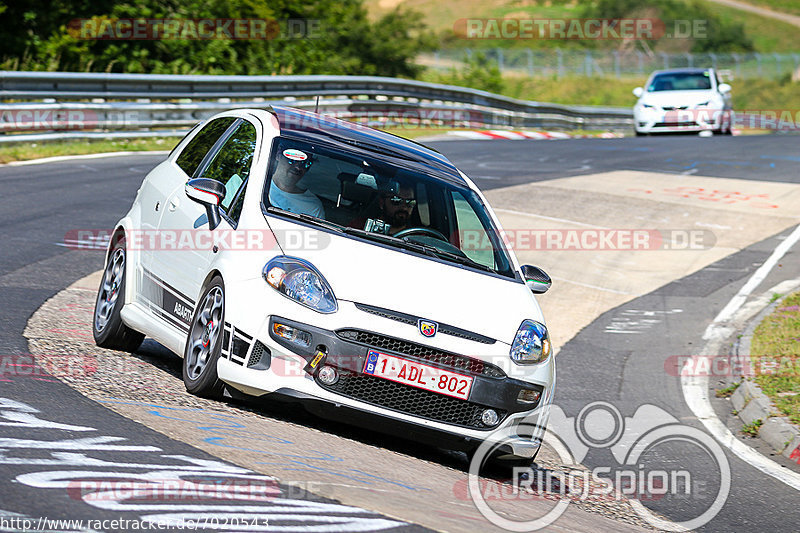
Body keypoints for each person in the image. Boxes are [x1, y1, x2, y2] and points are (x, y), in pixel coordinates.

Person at [268, 148, 325, 219]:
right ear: (278, 155)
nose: (298, 167)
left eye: (306, 163)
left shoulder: (313, 207)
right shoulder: (257, 185)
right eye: (293, 160)